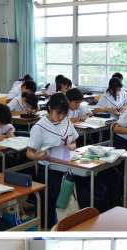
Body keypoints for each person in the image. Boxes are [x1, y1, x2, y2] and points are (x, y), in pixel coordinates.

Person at [27, 93, 78, 228]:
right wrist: (39, 156)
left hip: (66, 169)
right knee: (48, 207)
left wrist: (71, 145)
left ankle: (62, 227)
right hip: (48, 171)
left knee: (64, 204)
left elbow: (74, 143)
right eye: (58, 113)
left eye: (64, 114)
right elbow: (29, 152)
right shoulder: (39, 127)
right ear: (50, 108)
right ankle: (47, 229)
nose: (61, 117)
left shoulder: (66, 121)